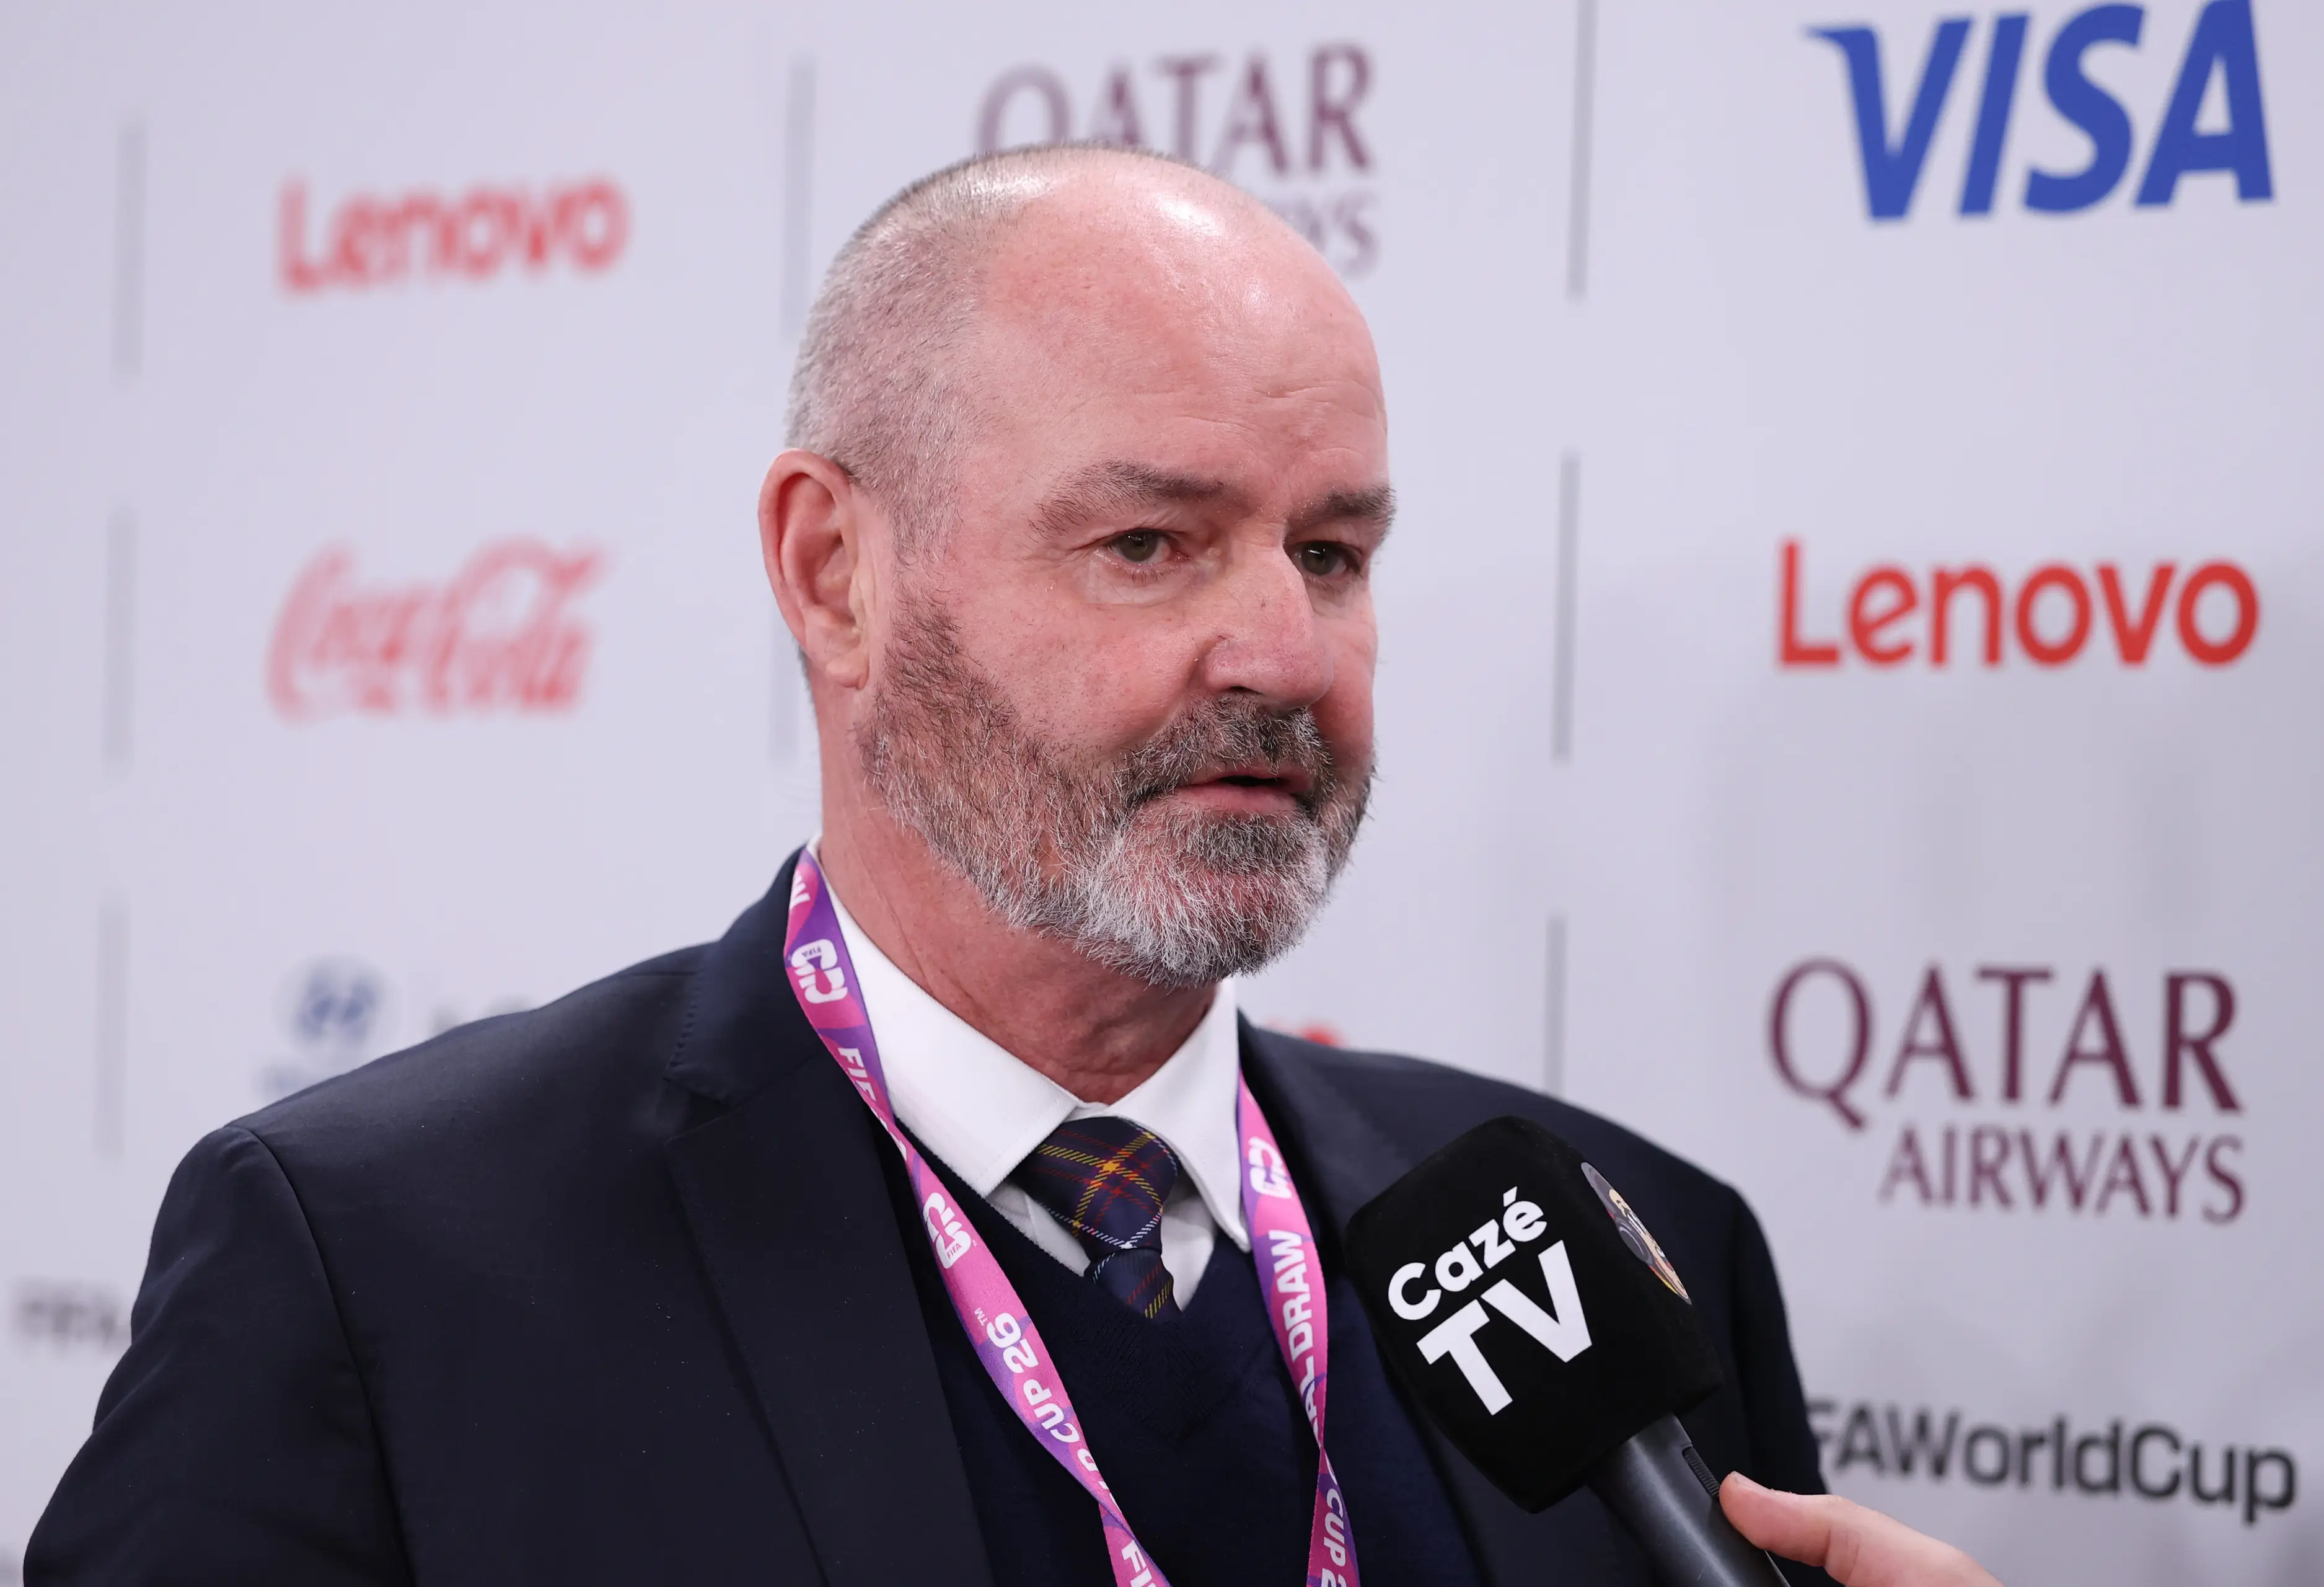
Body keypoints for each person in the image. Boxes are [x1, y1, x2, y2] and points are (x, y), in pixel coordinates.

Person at [27, 146, 2000, 1587]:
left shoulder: (1634, 1250)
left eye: (1332, 552)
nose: (1285, 654)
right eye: (1149, 543)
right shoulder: (385, 1271)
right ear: (835, 574)